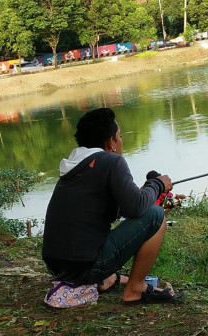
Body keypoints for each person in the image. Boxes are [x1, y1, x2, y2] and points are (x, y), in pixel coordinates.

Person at [42, 107, 183, 305]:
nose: (121, 140)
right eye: (119, 136)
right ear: (111, 142)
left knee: (147, 210)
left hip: (57, 266)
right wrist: (158, 184)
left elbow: (120, 207)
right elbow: (136, 208)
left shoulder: (76, 164)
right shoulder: (112, 161)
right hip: (82, 268)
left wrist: (143, 191)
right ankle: (135, 289)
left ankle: (106, 278)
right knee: (155, 214)